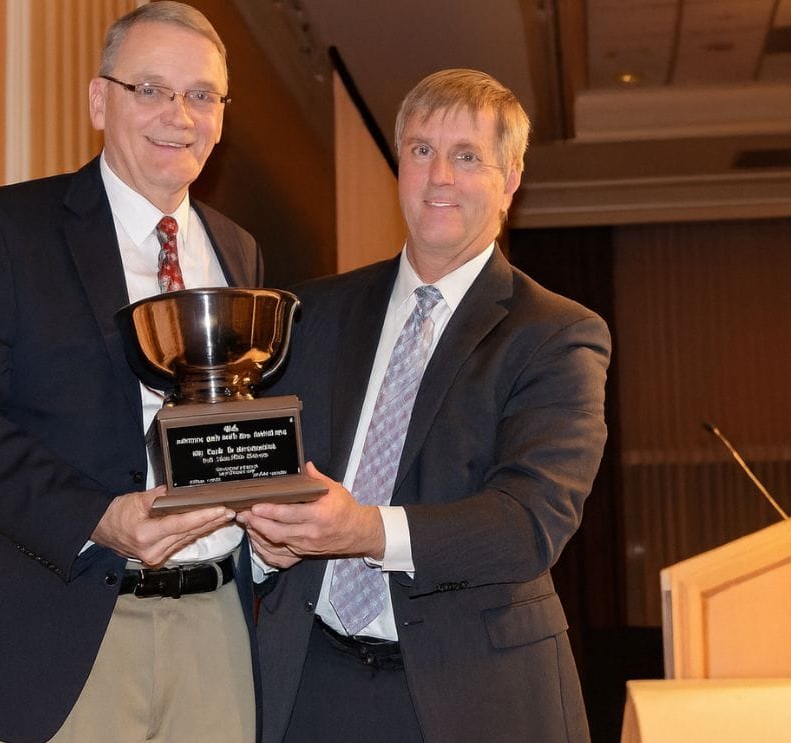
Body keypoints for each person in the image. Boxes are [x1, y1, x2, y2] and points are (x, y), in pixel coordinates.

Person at [0, 4, 261, 742]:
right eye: (150, 89)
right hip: (55, 630)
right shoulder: (6, 229)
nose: (178, 115)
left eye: (201, 95)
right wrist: (98, 515)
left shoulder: (239, 251)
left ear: (222, 116)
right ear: (100, 100)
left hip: (216, 632)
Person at [237, 69, 610, 742]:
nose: (439, 175)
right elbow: (270, 470)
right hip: (305, 686)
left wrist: (366, 530)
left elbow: (529, 521)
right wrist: (264, 543)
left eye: (466, 156)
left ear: (510, 179)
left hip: (474, 696)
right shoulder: (311, 313)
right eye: (421, 150)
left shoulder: (556, 333)